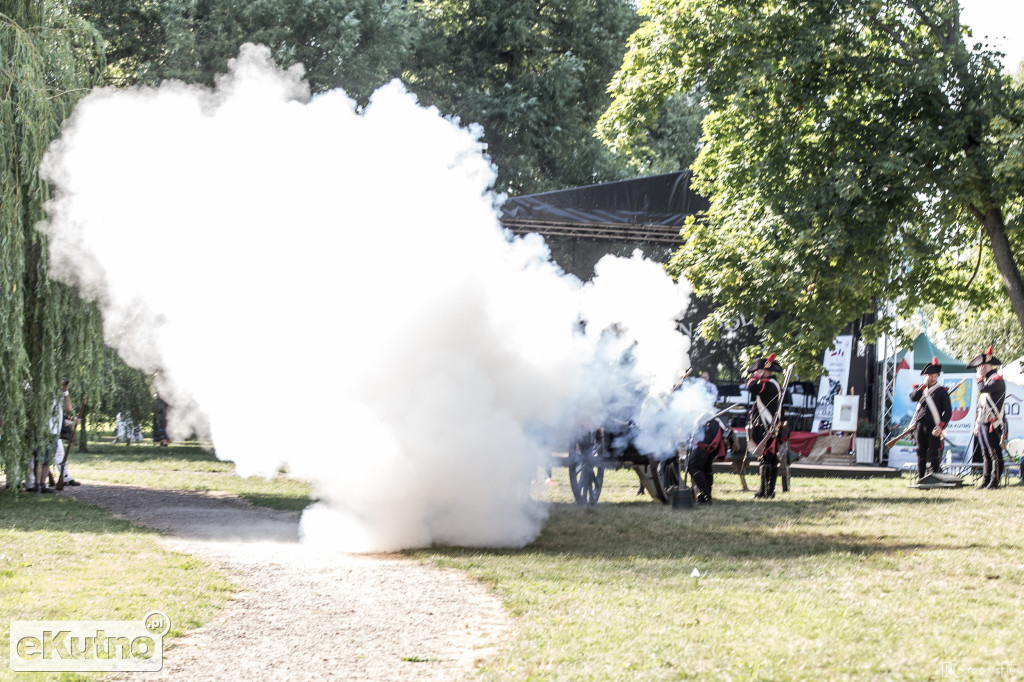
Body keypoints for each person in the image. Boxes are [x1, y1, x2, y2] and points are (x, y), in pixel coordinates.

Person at [746, 353, 785, 499]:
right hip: (770, 426)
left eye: (757, 371)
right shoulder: (771, 384)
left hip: (765, 427)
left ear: (763, 372)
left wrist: (755, 377)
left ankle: (766, 491)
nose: (754, 374)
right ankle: (768, 490)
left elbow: (751, 386)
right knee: (770, 458)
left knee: (766, 458)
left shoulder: (767, 385)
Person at [966, 346, 1006, 489]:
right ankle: (986, 480)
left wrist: (978, 378)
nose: (980, 368)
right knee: (985, 453)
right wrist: (977, 423)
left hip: (993, 422)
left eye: (982, 365)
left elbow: (982, 388)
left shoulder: (996, 379)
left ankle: (994, 482)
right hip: (983, 421)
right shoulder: (987, 380)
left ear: (989, 365)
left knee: (994, 453)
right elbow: (981, 404)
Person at [908, 356, 953, 480]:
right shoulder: (920, 389)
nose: (933, 378)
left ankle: (935, 478)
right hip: (920, 425)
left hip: (934, 425)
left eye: (935, 376)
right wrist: (922, 387)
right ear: (925, 376)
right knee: (920, 452)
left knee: (934, 453)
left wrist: (940, 426)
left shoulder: (942, 391)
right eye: (930, 376)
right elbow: (912, 397)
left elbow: (948, 412)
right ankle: (921, 477)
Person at [687, 413, 729, 505]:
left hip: (708, 434)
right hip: (713, 433)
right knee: (705, 467)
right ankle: (705, 497)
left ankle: (706, 497)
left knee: (694, 466)